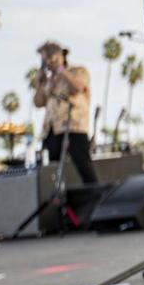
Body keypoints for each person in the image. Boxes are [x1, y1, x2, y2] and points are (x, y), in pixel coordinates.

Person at [31, 41, 97, 184]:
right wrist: (40, 84)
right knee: (52, 173)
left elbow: (78, 87)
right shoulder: (49, 81)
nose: (47, 63)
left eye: (49, 59)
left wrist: (61, 69)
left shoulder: (77, 71)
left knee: (84, 167)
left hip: (73, 127)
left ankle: (95, 198)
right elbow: (38, 102)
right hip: (52, 130)